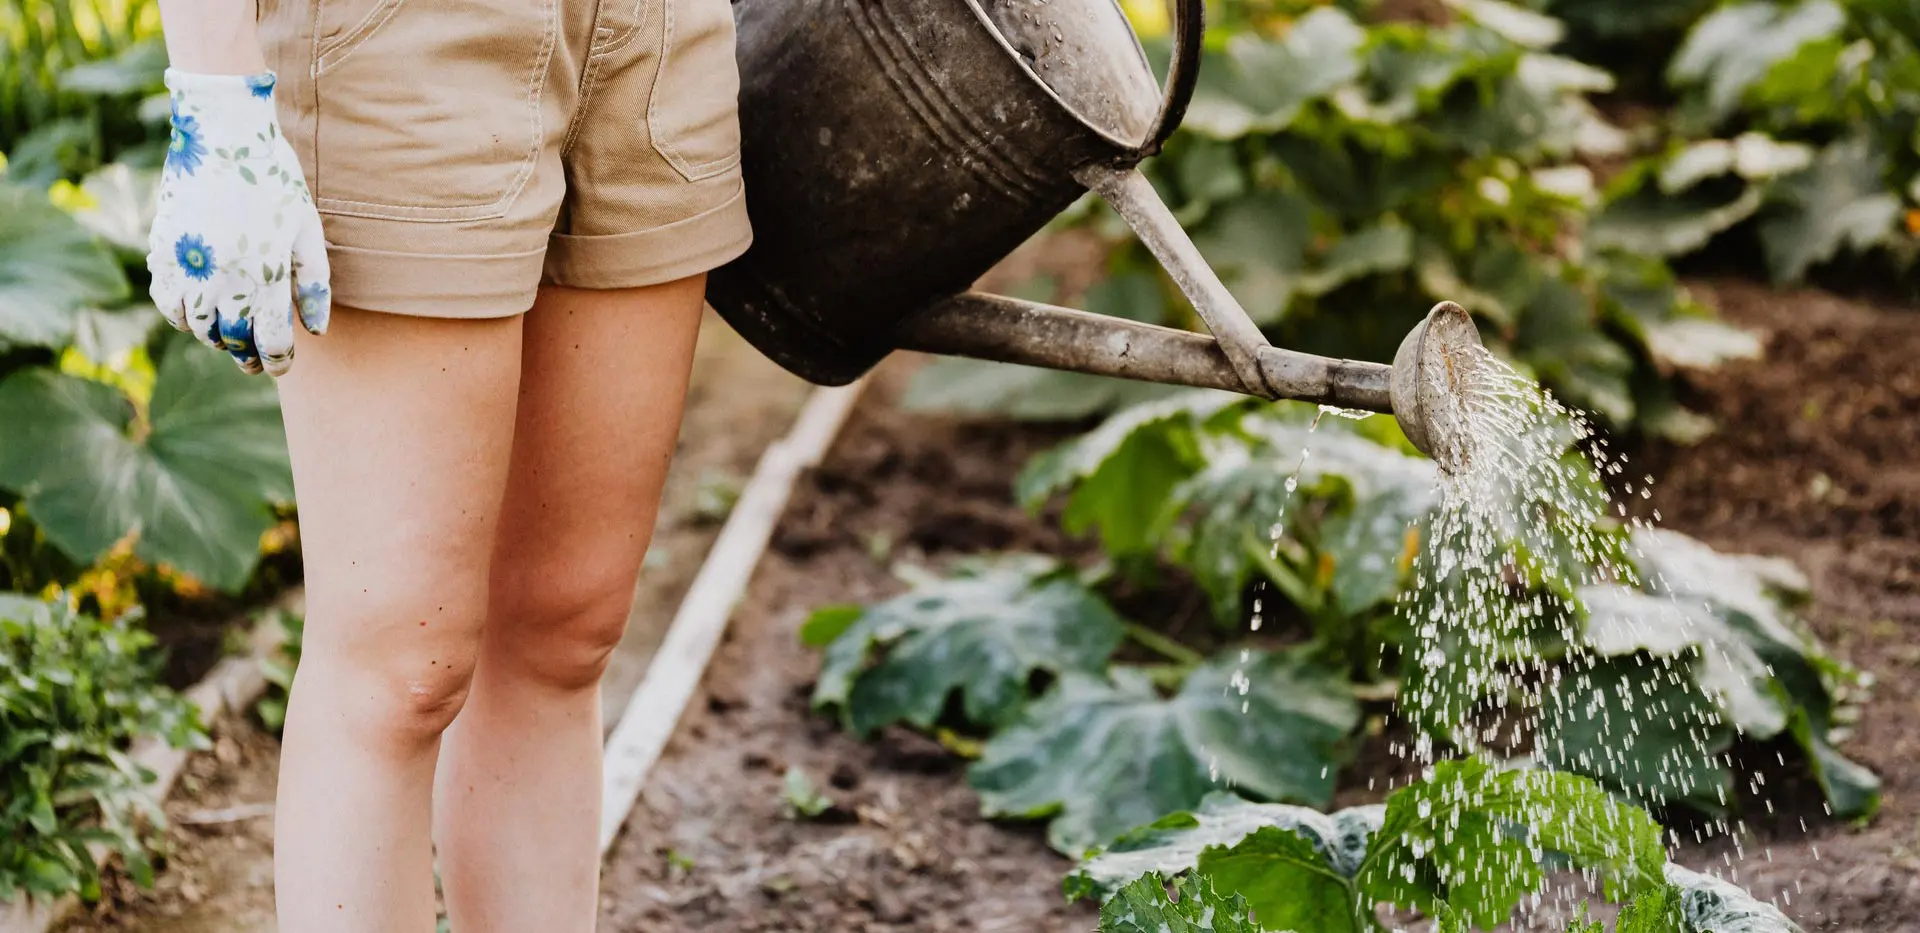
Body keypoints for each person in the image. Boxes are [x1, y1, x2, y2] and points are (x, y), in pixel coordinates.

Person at [145, 0, 751, 928]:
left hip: (662, 30)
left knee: (567, 627)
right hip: (402, 39)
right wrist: (215, 90)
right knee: (400, 671)